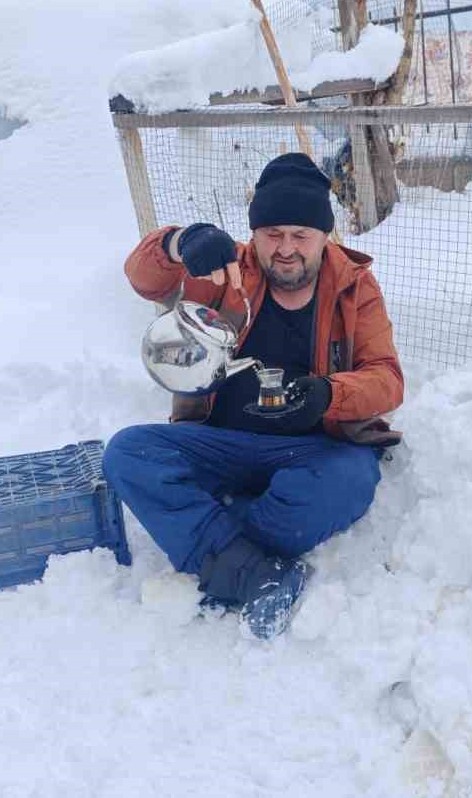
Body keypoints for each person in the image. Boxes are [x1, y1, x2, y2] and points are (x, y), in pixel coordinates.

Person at [104, 153, 404, 639]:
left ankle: (220, 545)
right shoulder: (226, 269)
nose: (286, 249)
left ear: (324, 236)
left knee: (348, 480)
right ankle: (259, 568)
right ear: (256, 234)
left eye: (300, 235)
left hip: (311, 450)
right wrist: (180, 243)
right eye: (272, 234)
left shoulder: (354, 286)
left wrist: (329, 394)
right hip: (222, 441)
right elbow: (144, 277)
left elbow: (387, 378)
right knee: (128, 453)